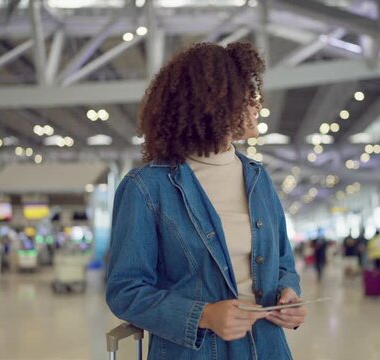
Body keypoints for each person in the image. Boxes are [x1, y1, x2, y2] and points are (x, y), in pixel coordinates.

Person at [106, 42, 305, 359]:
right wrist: (204, 314)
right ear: (213, 101)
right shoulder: (146, 188)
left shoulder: (259, 178)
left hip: (267, 348)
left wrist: (289, 294)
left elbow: (283, 263)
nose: (257, 105)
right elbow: (125, 292)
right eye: (246, 94)